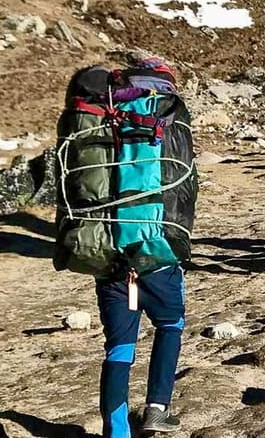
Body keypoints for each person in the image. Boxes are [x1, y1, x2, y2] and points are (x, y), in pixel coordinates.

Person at [54, 58, 197, 437]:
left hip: (103, 249)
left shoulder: (98, 118)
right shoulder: (162, 112)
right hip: (154, 246)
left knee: (119, 346)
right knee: (170, 324)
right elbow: (182, 186)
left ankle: (117, 431)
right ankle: (156, 409)